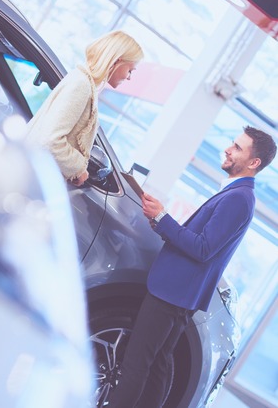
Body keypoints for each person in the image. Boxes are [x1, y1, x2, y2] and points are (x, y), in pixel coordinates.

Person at [108, 125, 277, 408]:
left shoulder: (239, 198)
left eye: (237, 147)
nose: (227, 148)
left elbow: (202, 249)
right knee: (157, 365)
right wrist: (162, 223)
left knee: (137, 363)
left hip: (173, 292)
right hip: (179, 293)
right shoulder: (237, 194)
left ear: (253, 162)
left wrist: (163, 218)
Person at [25, 30, 143, 185]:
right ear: (117, 61)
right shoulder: (83, 85)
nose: (129, 77)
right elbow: (50, 140)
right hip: (29, 176)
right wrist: (78, 169)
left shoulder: (83, 81)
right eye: (130, 70)